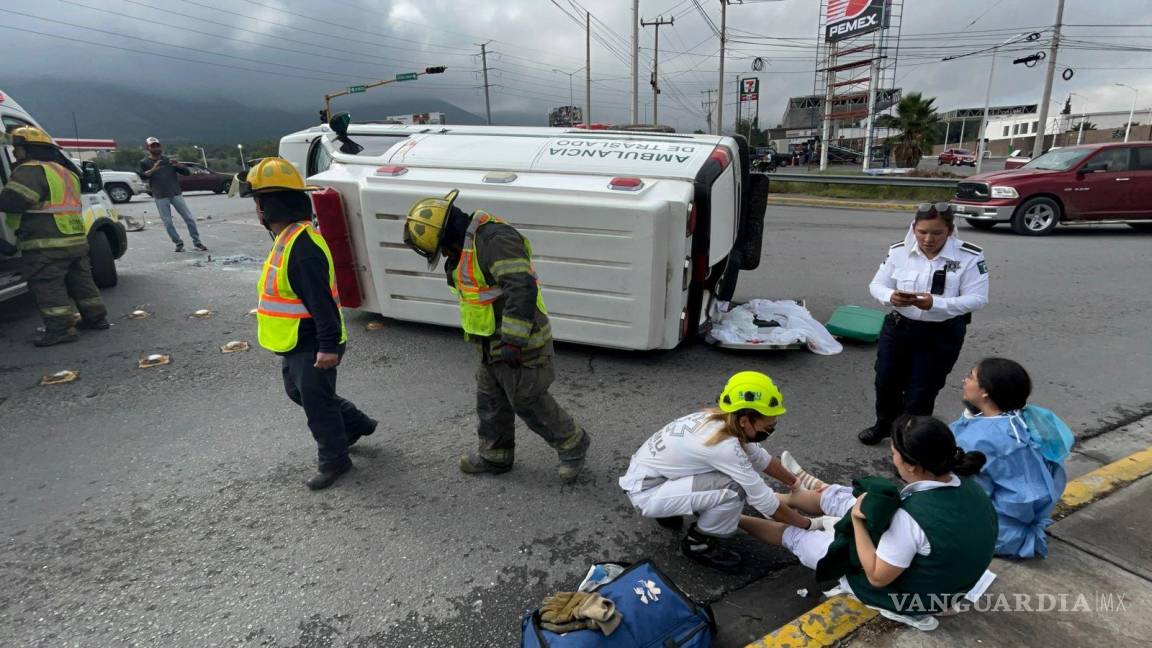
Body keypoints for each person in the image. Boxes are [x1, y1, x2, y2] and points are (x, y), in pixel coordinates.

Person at [740, 415, 998, 627]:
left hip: (907, 594)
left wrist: (858, 523)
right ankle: (778, 498)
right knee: (858, 498)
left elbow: (877, 577)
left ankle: (737, 518)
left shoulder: (910, 518)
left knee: (802, 538)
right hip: (948, 580)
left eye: (894, 453)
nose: (892, 457)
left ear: (911, 466)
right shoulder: (966, 484)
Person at [403, 190, 589, 482]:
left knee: (528, 399)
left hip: (520, 337)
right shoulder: (465, 246)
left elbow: (521, 287)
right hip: (488, 340)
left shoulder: (494, 241)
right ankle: (495, 456)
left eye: (443, 250)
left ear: (446, 236)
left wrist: (514, 340)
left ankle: (572, 443)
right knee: (490, 400)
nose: (446, 257)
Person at [240, 158, 377, 490]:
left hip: (313, 341)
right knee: (299, 392)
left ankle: (335, 460)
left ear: (267, 207)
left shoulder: (301, 248)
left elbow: (323, 304)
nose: (256, 211)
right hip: (295, 340)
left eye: (257, 202)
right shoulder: (289, 238)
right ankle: (357, 423)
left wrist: (328, 347)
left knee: (317, 405)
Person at [619, 372, 825, 572]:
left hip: (648, 476)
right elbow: (765, 502)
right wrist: (809, 525)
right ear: (745, 421)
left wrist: (795, 485)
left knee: (724, 479)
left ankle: (671, 510)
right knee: (734, 488)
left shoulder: (718, 420)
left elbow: (761, 458)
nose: (772, 426)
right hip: (647, 493)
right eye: (769, 423)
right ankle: (698, 542)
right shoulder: (725, 447)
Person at [859, 203, 989, 445]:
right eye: (922, 232)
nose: (928, 239)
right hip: (899, 327)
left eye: (937, 233)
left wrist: (935, 305)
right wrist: (890, 297)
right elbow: (877, 285)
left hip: (940, 334)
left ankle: (910, 444)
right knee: (885, 382)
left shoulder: (968, 256)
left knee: (921, 391)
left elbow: (977, 299)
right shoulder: (899, 251)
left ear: (950, 231)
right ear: (913, 228)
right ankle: (885, 425)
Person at [0, 126, 109, 346]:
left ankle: (61, 329)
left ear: (28, 148)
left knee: (48, 284)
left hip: (46, 241)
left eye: (18, 148)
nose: (14, 152)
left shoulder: (29, 171)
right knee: (81, 281)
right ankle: (96, 318)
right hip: (75, 238)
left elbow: (14, 201)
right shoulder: (64, 171)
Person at [951, 358, 1069, 558]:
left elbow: (970, 495)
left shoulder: (983, 439)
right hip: (1011, 522)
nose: (964, 381)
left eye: (970, 377)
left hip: (996, 529)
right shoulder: (1018, 420)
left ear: (985, 392)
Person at [137, 137, 207, 252]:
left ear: (160, 146)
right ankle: (178, 243)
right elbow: (143, 176)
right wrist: (154, 169)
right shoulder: (144, 162)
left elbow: (187, 173)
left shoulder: (168, 160)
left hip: (175, 193)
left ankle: (197, 242)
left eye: (157, 145)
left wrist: (179, 166)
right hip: (160, 195)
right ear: (148, 148)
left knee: (189, 218)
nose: (155, 148)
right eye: (152, 146)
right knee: (168, 222)